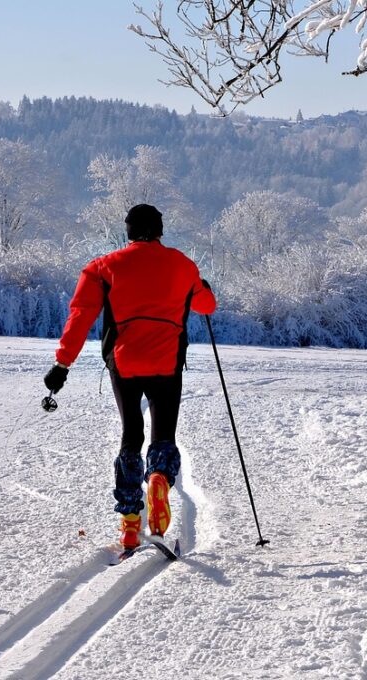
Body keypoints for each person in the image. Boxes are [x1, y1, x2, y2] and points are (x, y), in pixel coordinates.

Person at [44, 204, 216, 550]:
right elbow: (206, 306)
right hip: (167, 361)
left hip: (123, 362)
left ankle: (129, 524)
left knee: (131, 434)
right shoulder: (183, 265)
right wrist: (204, 288)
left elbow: (80, 315)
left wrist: (62, 365)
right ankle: (159, 479)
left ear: (129, 231)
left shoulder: (103, 267)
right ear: (160, 231)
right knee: (163, 434)